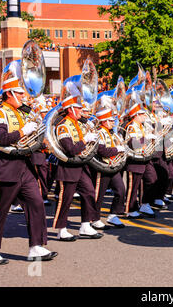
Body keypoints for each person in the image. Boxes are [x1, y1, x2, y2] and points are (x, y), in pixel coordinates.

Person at [0, 62, 57, 264]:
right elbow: (1, 139)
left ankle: (36, 246)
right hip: (6, 167)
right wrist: (24, 131)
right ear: (10, 93)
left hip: (26, 166)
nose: (24, 96)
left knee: (36, 204)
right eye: (20, 93)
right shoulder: (0, 112)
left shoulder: (22, 113)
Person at [53, 95, 104, 240]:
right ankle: (61, 229)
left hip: (81, 165)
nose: (81, 111)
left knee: (89, 192)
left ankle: (85, 225)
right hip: (68, 166)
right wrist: (85, 140)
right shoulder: (63, 126)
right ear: (70, 109)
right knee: (66, 199)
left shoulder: (79, 124)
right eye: (78, 108)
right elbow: (70, 149)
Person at [92, 108, 126, 227]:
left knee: (121, 190)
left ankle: (113, 215)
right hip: (102, 166)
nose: (113, 123)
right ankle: (94, 219)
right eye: (111, 121)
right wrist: (117, 149)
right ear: (105, 121)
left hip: (113, 166)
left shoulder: (112, 133)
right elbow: (101, 151)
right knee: (99, 194)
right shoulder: (99, 133)